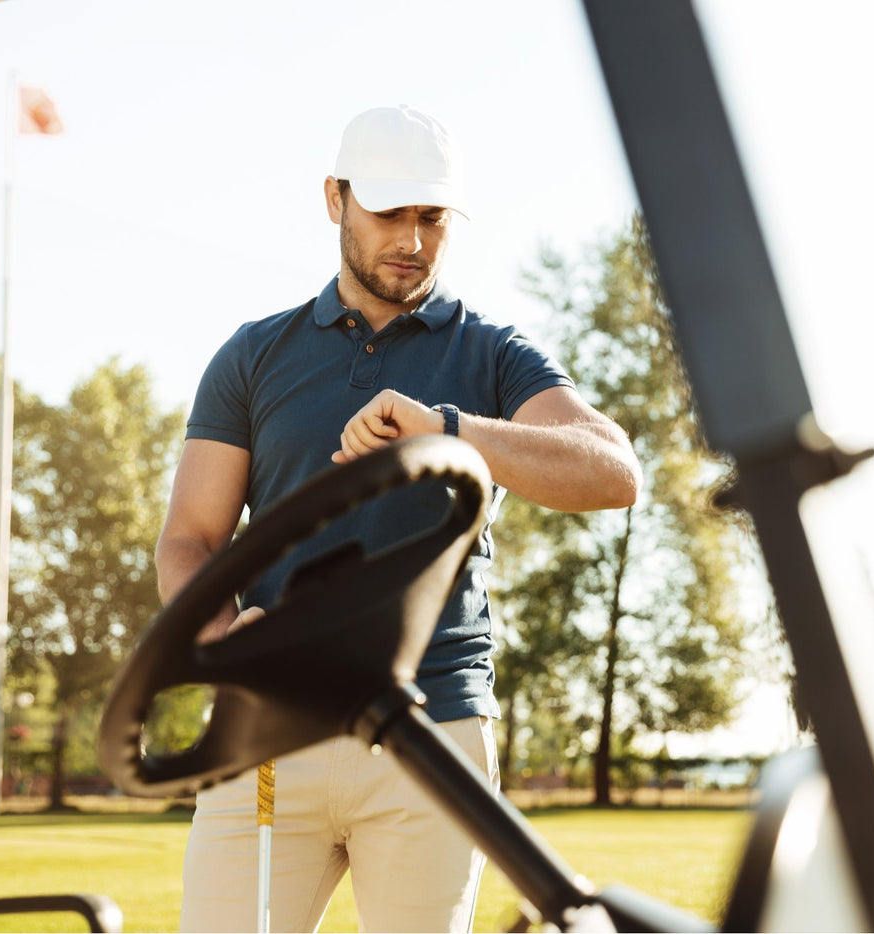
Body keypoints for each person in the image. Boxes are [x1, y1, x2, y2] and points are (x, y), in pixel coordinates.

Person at [158, 104, 641, 933]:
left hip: (435, 733)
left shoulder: (493, 353)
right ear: (334, 199)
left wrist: (447, 429)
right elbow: (191, 538)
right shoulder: (252, 354)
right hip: (268, 729)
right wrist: (223, 635)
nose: (411, 240)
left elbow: (613, 471)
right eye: (389, 213)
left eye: (431, 218)